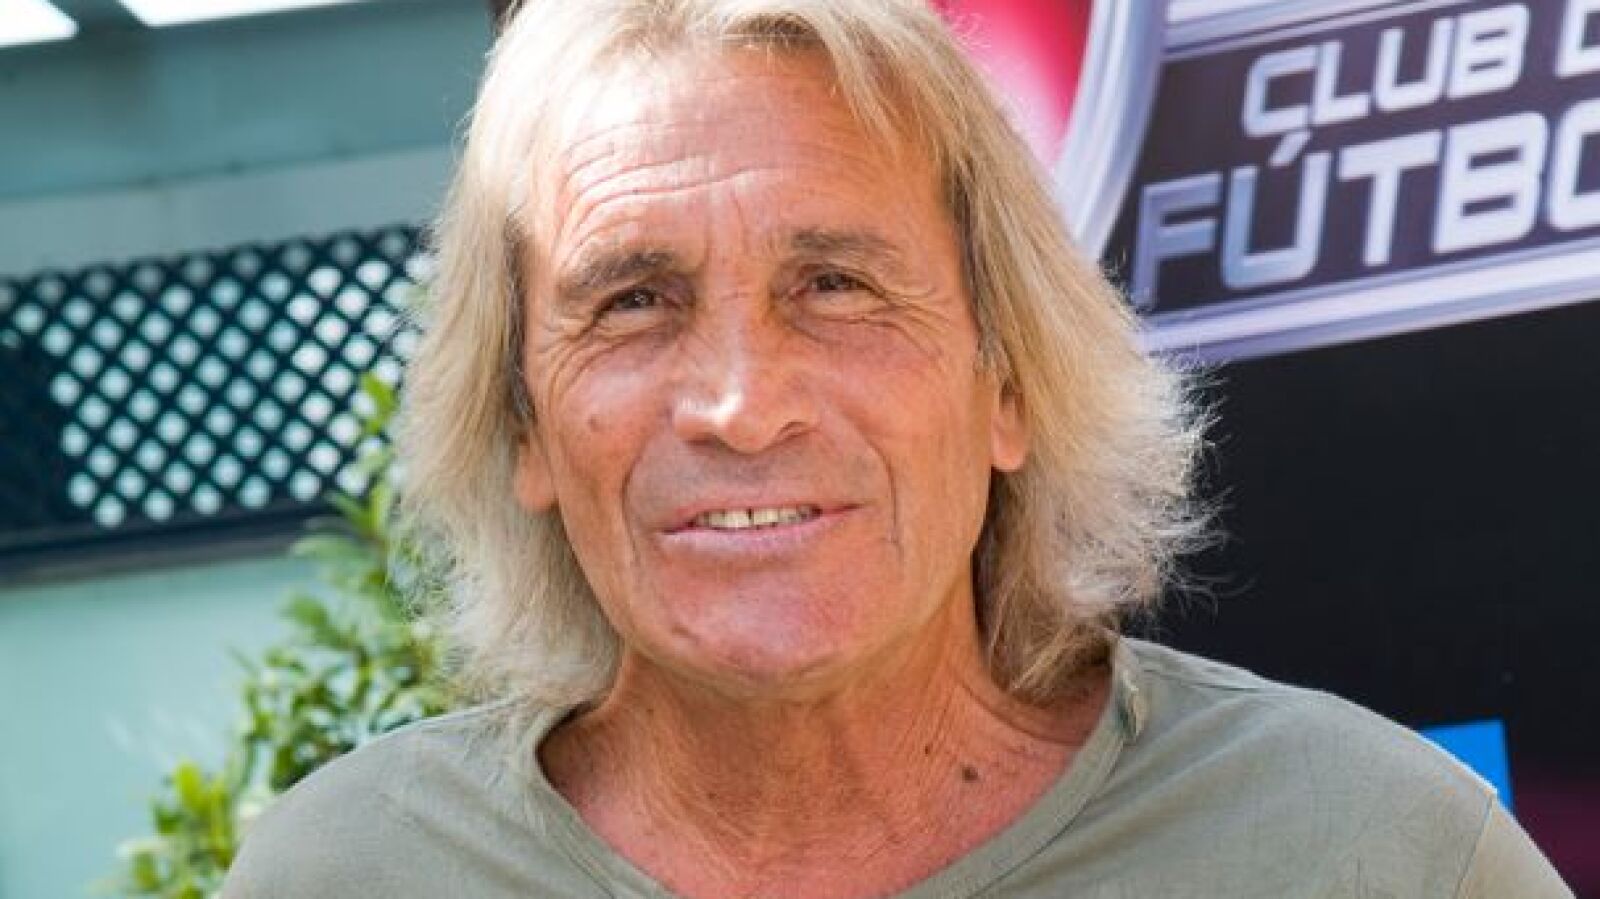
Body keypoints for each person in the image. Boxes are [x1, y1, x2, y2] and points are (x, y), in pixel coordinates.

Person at [223, 1, 1573, 896]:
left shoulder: (1378, 853)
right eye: (633, 301)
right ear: (522, 423)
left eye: (836, 286)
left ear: (1009, 381)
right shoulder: (342, 879)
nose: (740, 404)